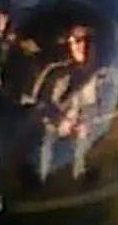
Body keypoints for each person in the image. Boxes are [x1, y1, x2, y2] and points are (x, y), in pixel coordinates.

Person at [29, 20, 112, 178]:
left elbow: (93, 106)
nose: (75, 47)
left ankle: (79, 176)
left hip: (77, 128)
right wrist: (60, 119)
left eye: (80, 41)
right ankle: (40, 178)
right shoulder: (57, 72)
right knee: (45, 141)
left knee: (83, 140)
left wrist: (84, 121)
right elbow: (43, 103)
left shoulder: (99, 75)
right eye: (71, 42)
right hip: (52, 126)